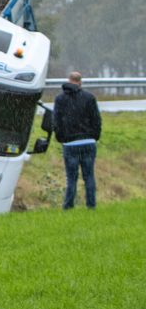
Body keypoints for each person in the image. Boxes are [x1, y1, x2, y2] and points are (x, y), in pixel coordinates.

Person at [53, 71, 102, 209]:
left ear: (69, 80)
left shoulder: (60, 99)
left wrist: (61, 137)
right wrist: (94, 136)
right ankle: (91, 206)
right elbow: (96, 120)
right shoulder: (89, 98)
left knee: (71, 179)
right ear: (80, 82)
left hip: (70, 144)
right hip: (88, 142)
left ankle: (68, 206)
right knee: (89, 177)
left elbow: (56, 122)